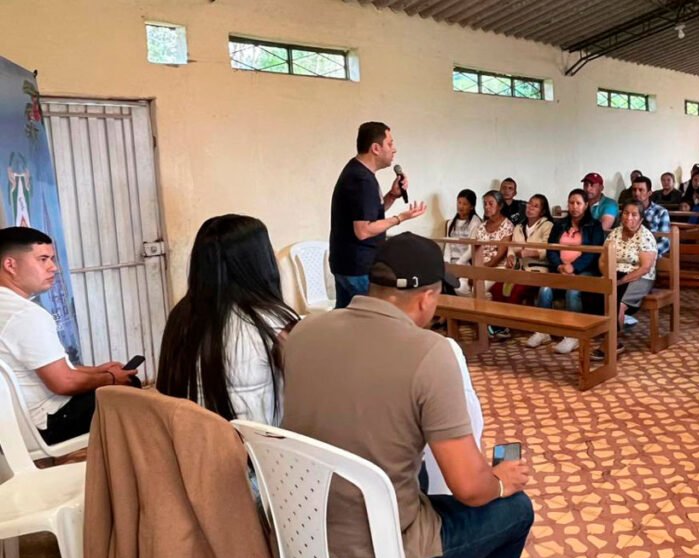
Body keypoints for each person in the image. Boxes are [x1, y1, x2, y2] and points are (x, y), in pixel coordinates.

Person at [283, 232, 533, 558]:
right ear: (426, 298)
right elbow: (470, 488)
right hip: (382, 553)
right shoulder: (431, 353)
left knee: (422, 473)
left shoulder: (304, 331)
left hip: (302, 536)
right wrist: (502, 481)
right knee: (517, 509)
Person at [157, 215, 299, 426]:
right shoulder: (275, 323)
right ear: (260, 262)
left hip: (189, 447)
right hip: (253, 454)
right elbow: (309, 396)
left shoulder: (180, 316)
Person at [0, 227, 137, 445]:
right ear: (10, 265)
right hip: (42, 426)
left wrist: (98, 370)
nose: (53, 267)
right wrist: (111, 378)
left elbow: (45, 369)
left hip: (10, 425)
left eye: (52, 259)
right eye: (43, 259)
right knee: (129, 388)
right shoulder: (25, 315)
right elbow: (63, 382)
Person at [330, 121, 426, 308]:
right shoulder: (361, 180)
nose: (394, 149)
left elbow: (370, 217)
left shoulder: (357, 171)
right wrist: (401, 218)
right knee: (371, 322)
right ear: (375, 148)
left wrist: (392, 196)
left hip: (347, 263)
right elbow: (363, 230)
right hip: (358, 267)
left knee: (348, 322)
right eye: (390, 144)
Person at [528, 189, 606, 353]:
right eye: (571, 203)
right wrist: (559, 266)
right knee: (545, 290)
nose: (574, 207)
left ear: (585, 206)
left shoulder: (594, 226)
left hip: (585, 270)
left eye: (578, 203)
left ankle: (573, 335)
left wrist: (574, 267)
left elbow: (593, 252)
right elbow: (551, 250)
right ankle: (543, 331)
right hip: (560, 269)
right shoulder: (560, 225)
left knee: (573, 290)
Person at [593, 201, 657, 360]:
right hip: (615, 274)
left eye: (634, 214)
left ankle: (611, 343)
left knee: (618, 303)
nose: (629, 217)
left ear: (641, 219)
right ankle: (610, 332)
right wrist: (608, 275)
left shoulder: (645, 236)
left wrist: (621, 281)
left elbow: (645, 268)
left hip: (640, 277)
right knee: (593, 293)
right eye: (626, 213)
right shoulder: (614, 233)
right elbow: (602, 260)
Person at [490, 194, 553, 306]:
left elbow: (548, 249)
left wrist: (532, 253)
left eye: (535, 206)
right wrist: (510, 256)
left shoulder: (547, 226)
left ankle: (514, 322)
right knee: (496, 288)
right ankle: (498, 322)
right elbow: (512, 246)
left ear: (542, 211)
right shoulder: (519, 227)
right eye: (529, 204)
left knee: (516, 291)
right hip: (518, 269)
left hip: (536, 270)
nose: (530, 207)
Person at [471, 191, 515, 338]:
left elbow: (500, 255)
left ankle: (487, 324)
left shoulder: (507, 225)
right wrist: (475, 269)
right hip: (480, 266)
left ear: (500, 206)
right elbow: (475, 250)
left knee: (479, 288)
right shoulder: (482, 226)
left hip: (497, 267)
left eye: (491, 204)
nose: (487, 207)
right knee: (462, 285)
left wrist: (480, 271)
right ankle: (484, 321)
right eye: (485, 204)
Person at [443, 189, 483, 296]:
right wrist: (446, 262)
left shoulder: (475, 222)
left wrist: (458, 265)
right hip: (451, 262)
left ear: (472, 206)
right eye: (459, 202)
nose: (460, 206)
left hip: (465, 262)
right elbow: (448, 244)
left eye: (465, 204)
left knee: (460, 288)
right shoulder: (451, 223)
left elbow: (472, 248)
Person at [632, 176, 671, 257]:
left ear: (649, 193)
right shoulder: (628, 212)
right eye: (634, 190)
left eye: (641, 190)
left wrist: (647, 254)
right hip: (628, 254)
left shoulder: (661, 212)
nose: (636, 193)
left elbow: (665, 242)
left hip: (651, 255)